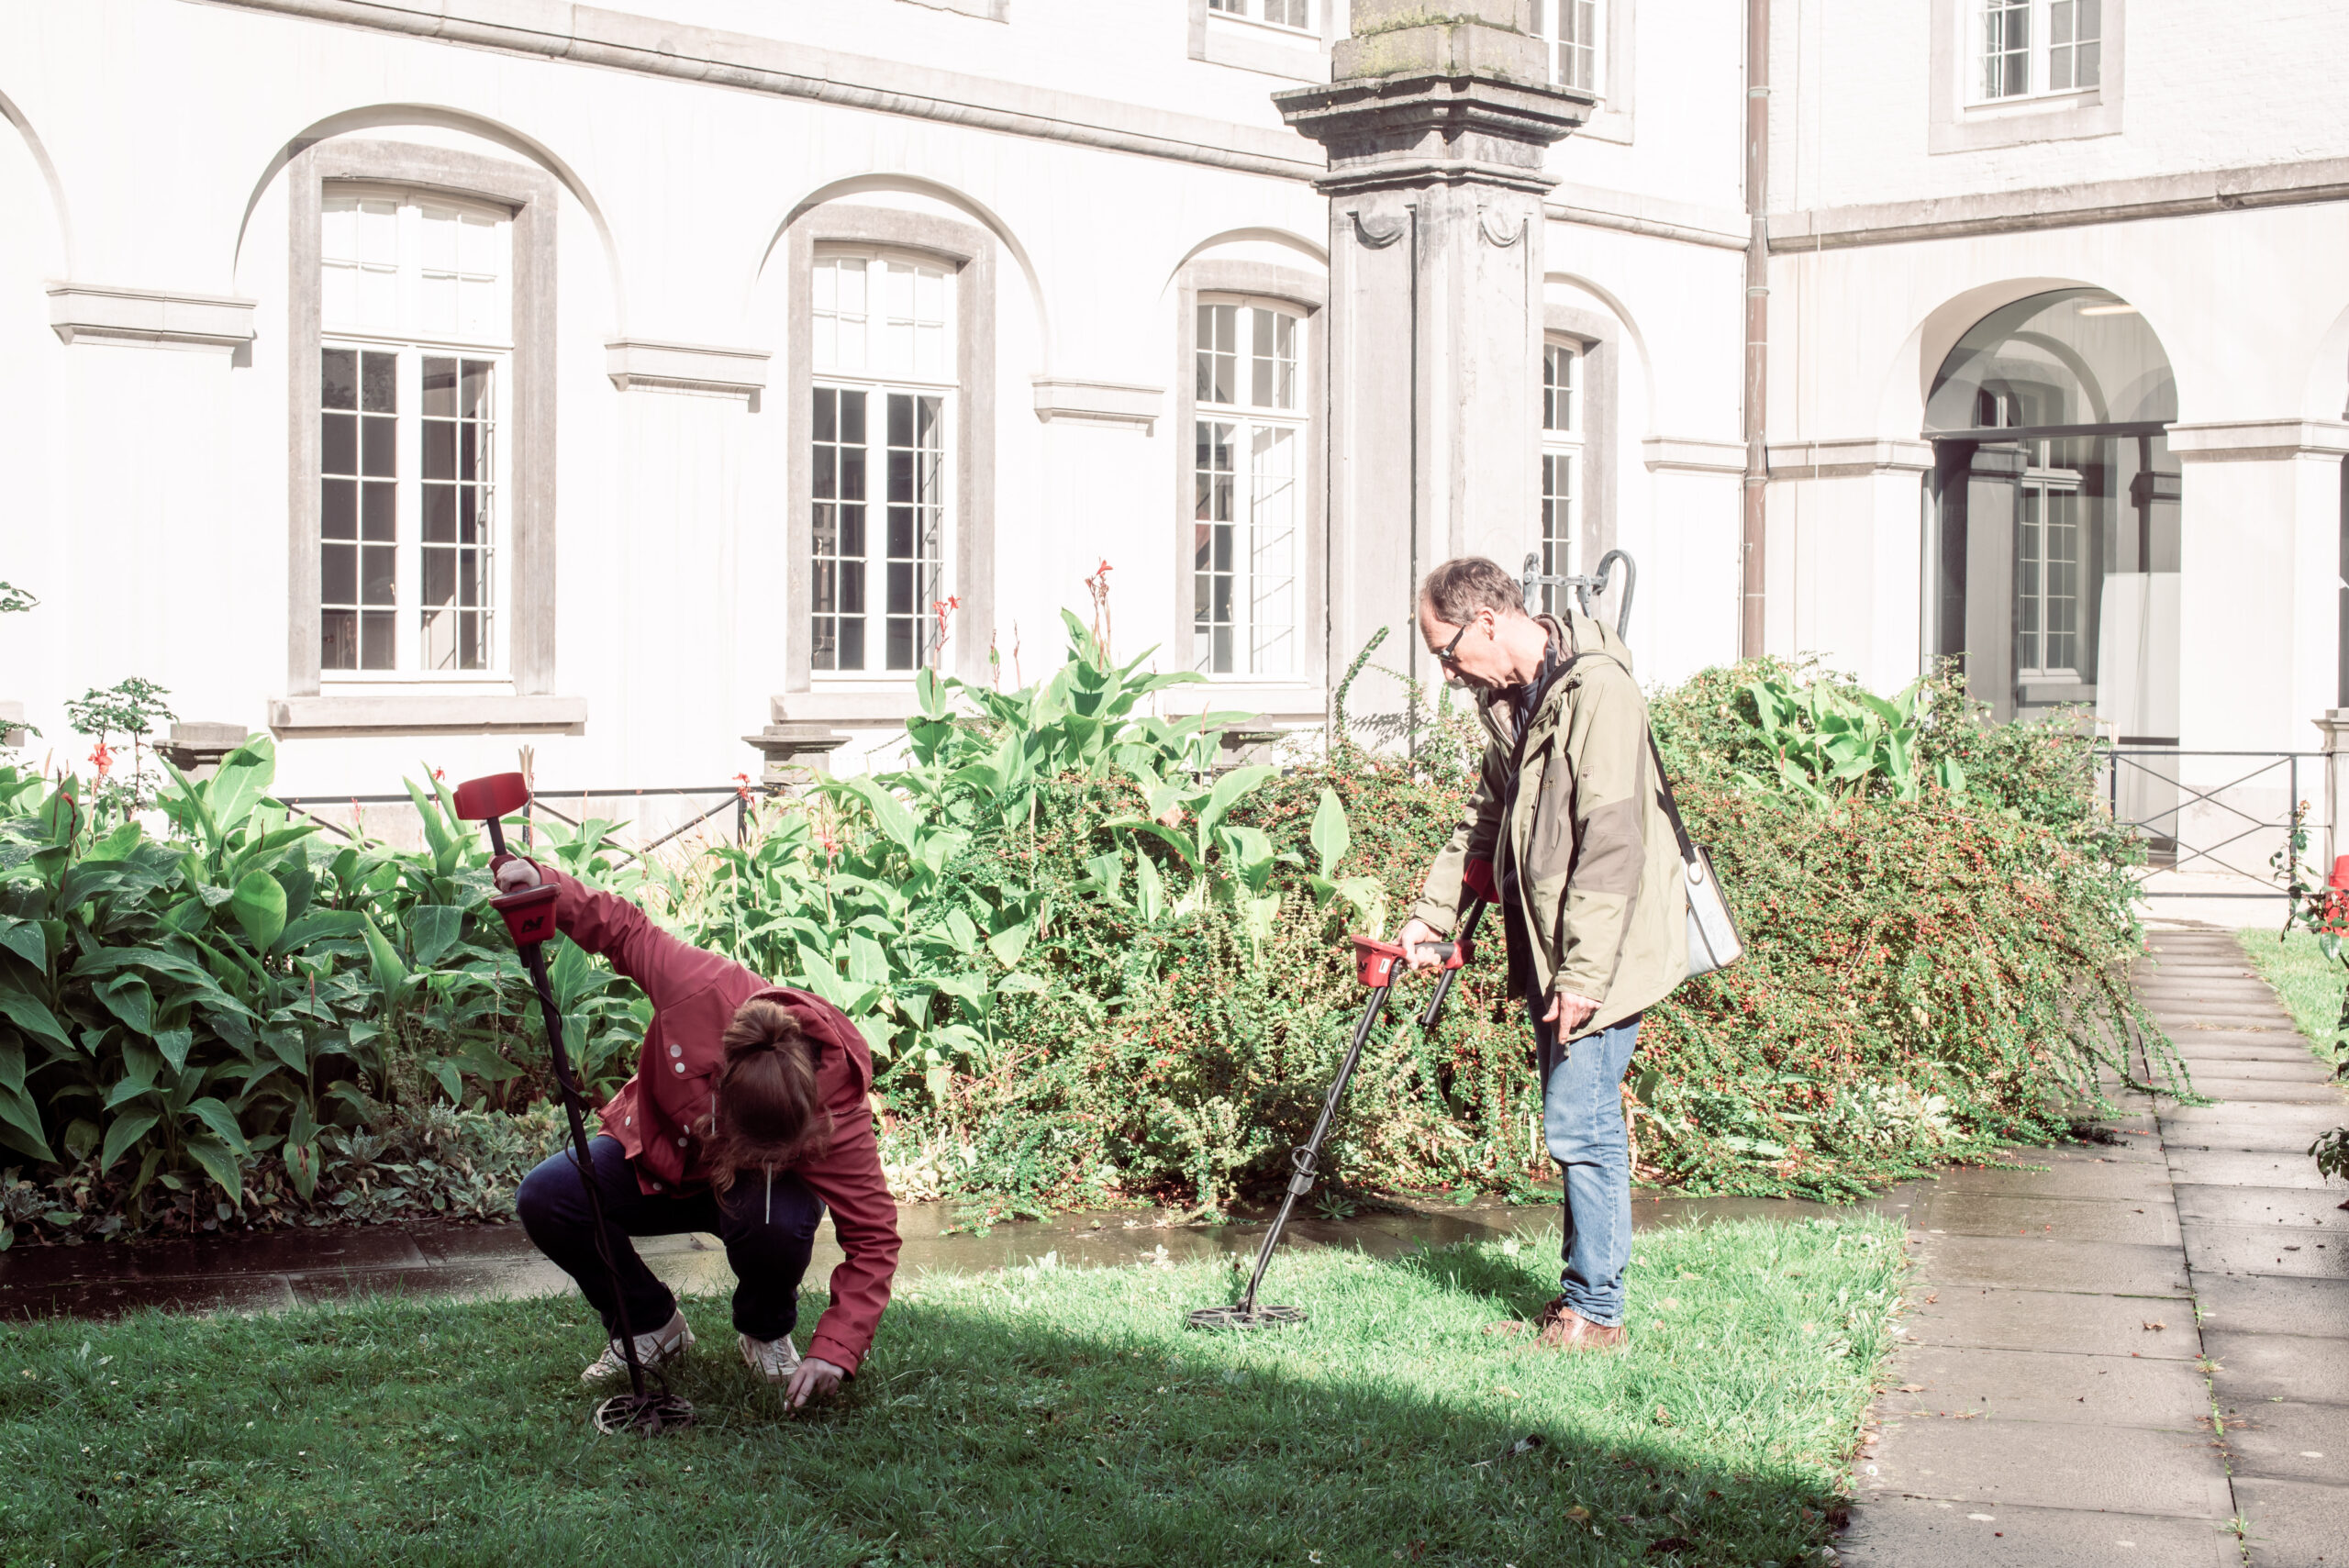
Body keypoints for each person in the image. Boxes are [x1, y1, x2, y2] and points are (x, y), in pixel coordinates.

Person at [1395, 556, 1688, 1351]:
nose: (1448, 670)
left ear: (1487, 622)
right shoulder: (1512, 700)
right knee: (1575, 1116)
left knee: (1582, 1123)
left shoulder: (1600, 693)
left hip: (1603, 948)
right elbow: (1483, 820)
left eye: (1446, 649)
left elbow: (1612, 844)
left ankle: (1596, 1313)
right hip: (1552, 943)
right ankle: (1580, 1299)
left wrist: (1585, 975)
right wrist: (1432, 915)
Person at [496, 854, 900, 1407]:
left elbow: (874, 1238)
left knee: (778, 1225)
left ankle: (764, 1332)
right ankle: (649, 1326)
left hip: (756, 1201)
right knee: (548, 1197)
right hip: (661, 1162)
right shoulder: (699, 986)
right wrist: (547, 887)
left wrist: (836, 1347)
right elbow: (622, 927)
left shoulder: (840, 1109)